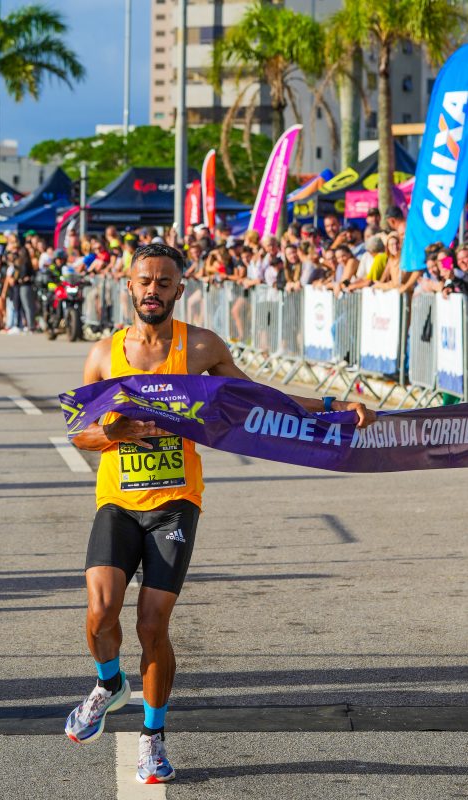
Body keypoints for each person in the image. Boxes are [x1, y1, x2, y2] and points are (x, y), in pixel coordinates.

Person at [64, 243, 376, 784]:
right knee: (100, 614)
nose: (153, 292)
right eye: (144, 282)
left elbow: (260, 398)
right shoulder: (103, 354)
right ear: (129, 286)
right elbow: (79, 432)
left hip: (176, 503)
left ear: (179, 290)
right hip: (118, 500)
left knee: (151, 624)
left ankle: (153, 737)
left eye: (164, 283)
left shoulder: (201, 346)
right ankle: (108, 683)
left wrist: (331, 408)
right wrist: (111, 433)